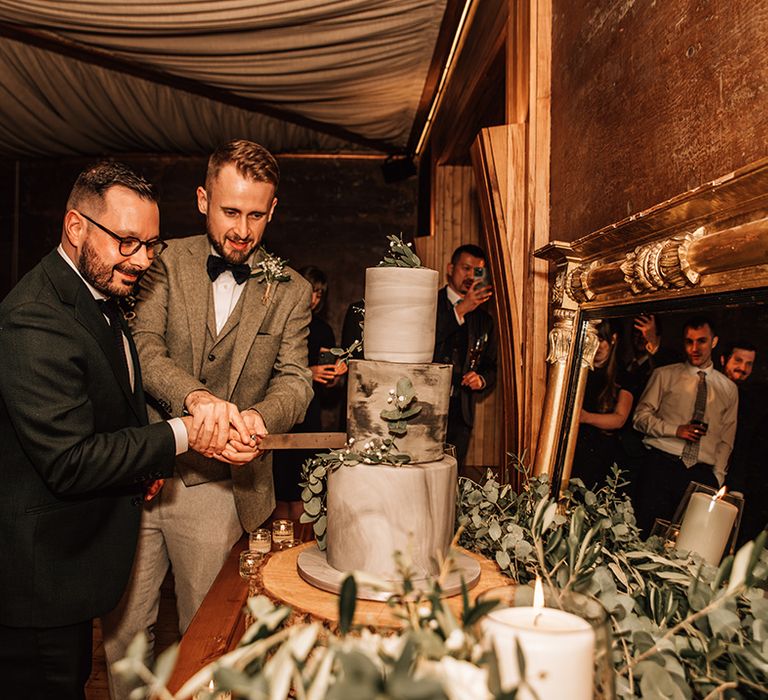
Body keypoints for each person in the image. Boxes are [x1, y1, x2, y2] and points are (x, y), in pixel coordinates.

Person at [103, 140, 313, 699]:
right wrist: (197, 399)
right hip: (141, 475)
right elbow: (143, 350)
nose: (241, 230)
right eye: (229, 211)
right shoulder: (160, 260)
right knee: (126, 637)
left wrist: (256, 419)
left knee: (211, 637)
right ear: (202, 199)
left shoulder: (289, 289)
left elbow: (296, 379)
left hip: (222, 487)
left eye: (255, 214)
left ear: (273, 211)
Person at [0, 161, 204, 699]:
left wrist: (143, 468)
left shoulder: (100, 293)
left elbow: (113, 411)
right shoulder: (35, 317)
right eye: (127, 242)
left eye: (152, 244)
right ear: (75, 227)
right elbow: (70, 461)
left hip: (69, 574)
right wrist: (182, 435)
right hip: (36, 584)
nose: (142, 260)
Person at [632, 316, 738, 536]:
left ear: (714, 342)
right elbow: (640, 418)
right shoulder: (665, 374)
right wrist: (676, 430)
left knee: (686, 544)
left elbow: (727, 438)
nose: (695, 348)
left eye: (702, 341)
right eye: (689, 341)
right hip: (661, 465)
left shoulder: (728, 389)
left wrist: (716, 478)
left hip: (701, 475)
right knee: (644, 534)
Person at [272, 265, 345, 526]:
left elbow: (328, 393)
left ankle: (298, 554)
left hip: (310, 418)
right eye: (311, 291)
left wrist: (334, 378)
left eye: (319, 294)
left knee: (306, 492)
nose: (314, 298)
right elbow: (268, 373)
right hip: (280, 414)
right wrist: (308, 373)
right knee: (280, 494)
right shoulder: (277, 322)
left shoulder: (323, 330)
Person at [433, 244, 497, 473]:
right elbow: (427, 340)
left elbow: (491, 366)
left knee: (452, 476)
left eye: (477, 271)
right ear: (451, 269)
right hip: (427, 407)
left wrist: (481, 379)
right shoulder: (431, 303)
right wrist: (460, 310)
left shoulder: (484, 319)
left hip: (462, 413)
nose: (471, 276)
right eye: (466, 268)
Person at [571, 321, 634, 489]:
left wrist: (584, 417)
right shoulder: (577, 368)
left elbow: (619, 419)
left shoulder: (624, 375)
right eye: (592, 339)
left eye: (601, 339)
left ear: (613, 339)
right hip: (574, 444)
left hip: (601, 451)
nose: (596, 345)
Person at [720, 341, 767, 545]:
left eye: (749, 364)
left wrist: (737, 486)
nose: (743, 368)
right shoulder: (710, 387)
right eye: (738, 360)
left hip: (737, 485)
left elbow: (747, 447)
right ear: (724, 359)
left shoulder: (753, 401)